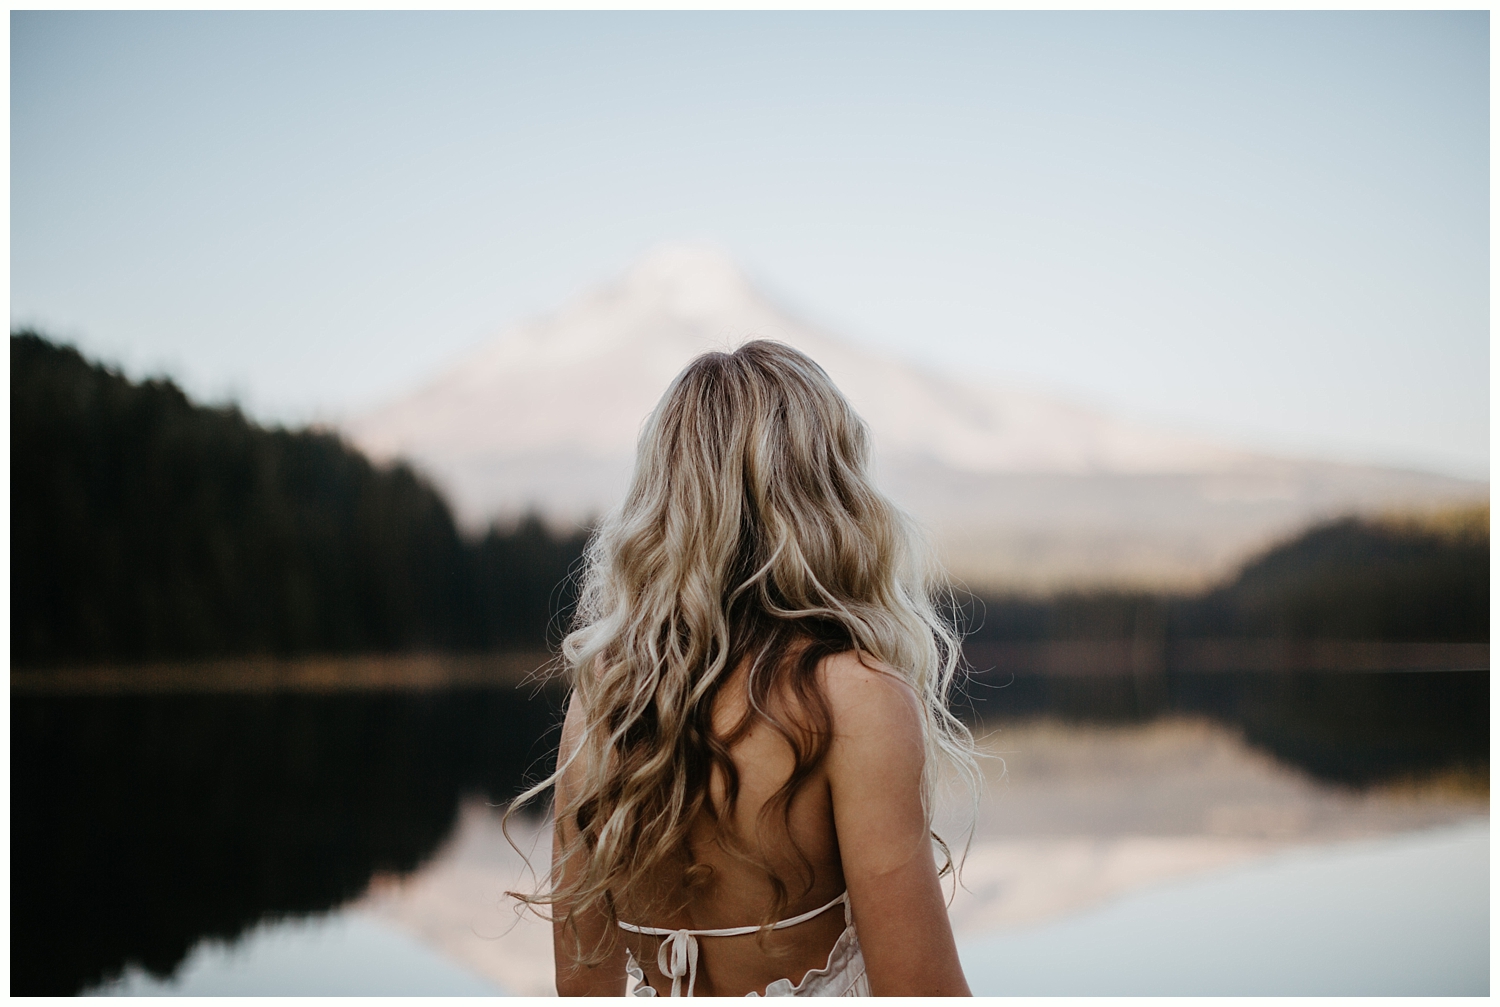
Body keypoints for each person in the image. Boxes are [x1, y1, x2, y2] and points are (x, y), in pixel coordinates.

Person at [508, 340, 980, 997]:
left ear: (665, 500)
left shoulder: (606, 697)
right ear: (829, 493)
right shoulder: (855, 696)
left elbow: (582, 987)